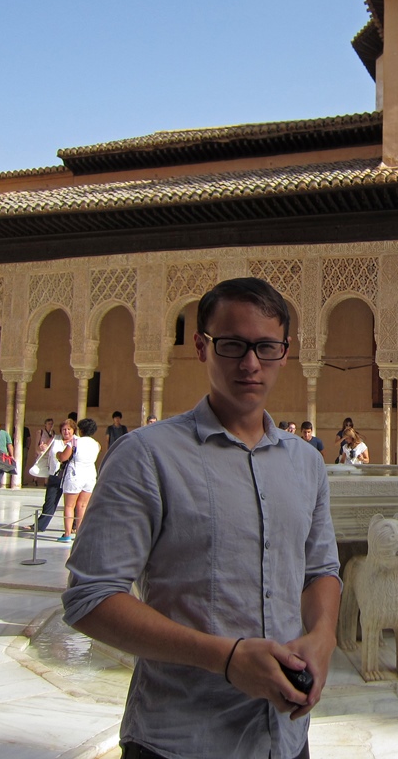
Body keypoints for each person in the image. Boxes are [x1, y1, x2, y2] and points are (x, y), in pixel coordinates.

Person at [62, 277, 340, 759]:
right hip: (181, 740)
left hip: (286, 738)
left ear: (285, 353)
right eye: (232, 345)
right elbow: (91, 597)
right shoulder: (146, 456)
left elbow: (321, 571)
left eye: (266, 347)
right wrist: (226, 659)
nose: (250, 364)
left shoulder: (306, 463)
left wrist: (322, 638)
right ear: (201, 346)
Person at [57, 418, 100, 543]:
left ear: (80, 430)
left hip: (75, 474)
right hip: (90, 475)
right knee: (82, 505)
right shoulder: (96, 444)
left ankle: (67, 533)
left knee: (69, 505)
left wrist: (58, 454)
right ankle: (80, 532)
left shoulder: (75, 441)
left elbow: (64, 457)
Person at [22, 425, 67, 534]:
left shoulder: (76, 441)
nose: (66, 432)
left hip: (70, 476)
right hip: (55, 475)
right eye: (64, 429)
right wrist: (42, 448)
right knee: (49, 502)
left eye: (69, 429)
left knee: (71, 504)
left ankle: (74, 527)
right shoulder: (55, 439)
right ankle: (40, 525)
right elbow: (41, 448)